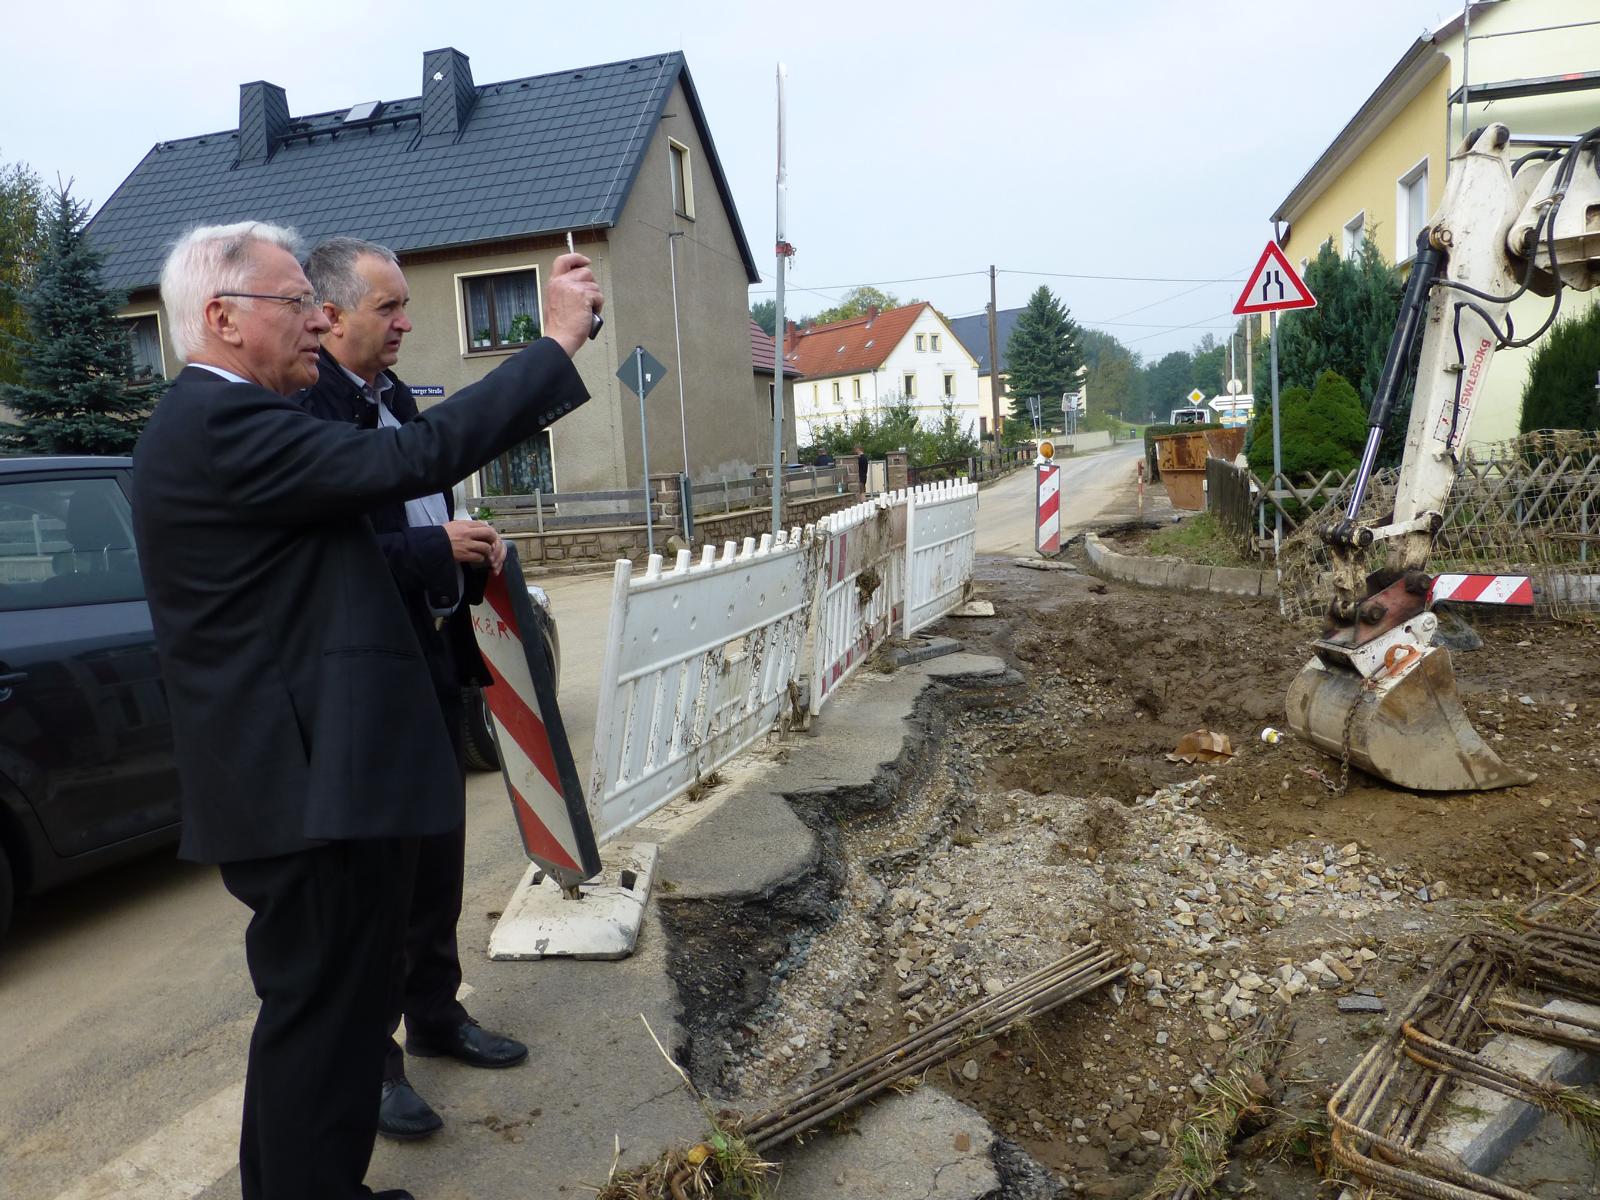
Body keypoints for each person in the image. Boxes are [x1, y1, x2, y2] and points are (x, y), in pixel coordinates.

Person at [131, 221, 601, 1200]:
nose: (316, 320)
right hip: (300, 795)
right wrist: (551, 345)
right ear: (220, 318)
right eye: (294, 303)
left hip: (319, 785)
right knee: (318, 1021)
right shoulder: (219, 422)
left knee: (341, 1018)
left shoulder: (241, 419)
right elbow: (416, 458)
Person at [299, 237, 524, 1142]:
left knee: (437, 859)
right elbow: (333, 556)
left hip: (429, 655)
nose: (405, 322)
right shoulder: (310, 413)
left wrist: (465, 549)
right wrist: (436, 549)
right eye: (387, 307)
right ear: (330, 314)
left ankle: (436, 1013)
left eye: (403, 305)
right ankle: (377, 1062)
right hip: (365, 676)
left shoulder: (391, 398)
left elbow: (419, 510)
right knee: (379, 886)